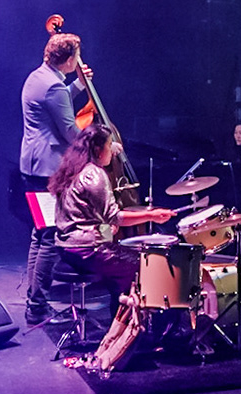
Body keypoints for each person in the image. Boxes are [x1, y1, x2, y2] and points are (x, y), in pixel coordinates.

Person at [52, 124, 176, 370]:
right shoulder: (95, 174)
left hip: (66, 246)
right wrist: (153, 215)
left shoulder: (71, 170)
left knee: (120, 273)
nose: (113, 152)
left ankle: (119, 323)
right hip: (88, 249)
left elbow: (84, 216)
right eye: (110, 146)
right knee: (146, 266)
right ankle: (135, 335)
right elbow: (115, 217)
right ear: (98, 148)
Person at [17, 29, 94, 322]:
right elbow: (70, 131)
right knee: (50, 236)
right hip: (48, 170)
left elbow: (55, 100)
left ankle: (34, 302)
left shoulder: (38, 77)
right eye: (76, 56)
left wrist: (77, 85)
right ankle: (37, 306)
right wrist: (98, 143)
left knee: (39, 234)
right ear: (69, 59)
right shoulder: (54, 87)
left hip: (32, 166)